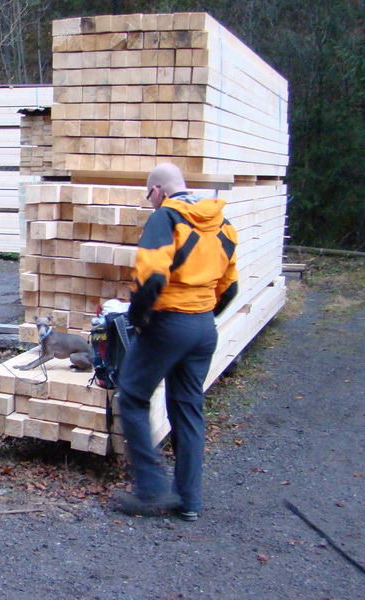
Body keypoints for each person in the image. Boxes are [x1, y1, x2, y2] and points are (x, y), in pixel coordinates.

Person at [114, 162, 238, 522]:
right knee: (187, 408)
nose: (149, 201)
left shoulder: (166, 218)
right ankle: (189, 500)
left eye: (147, 195)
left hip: (168, 323)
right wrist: (202, 317)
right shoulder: (223, 224)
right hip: (202, 328)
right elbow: (230, 287)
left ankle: (151, 488)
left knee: (133, 396)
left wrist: (138, 320)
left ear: (157, 191)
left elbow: (151, 276)